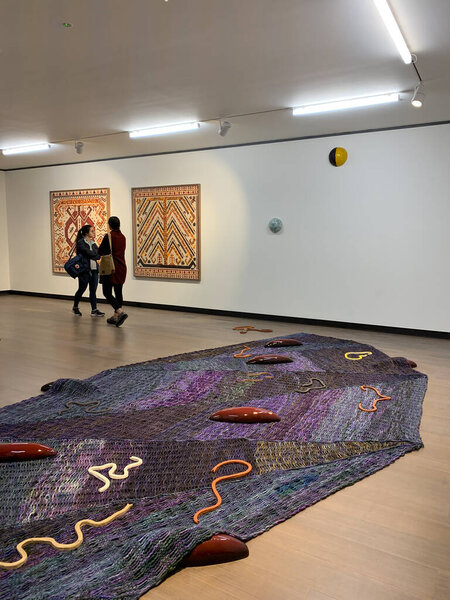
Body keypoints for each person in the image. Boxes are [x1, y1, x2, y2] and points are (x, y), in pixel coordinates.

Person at [98, 216, 128, 327]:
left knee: (106, 292)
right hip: (121, 267)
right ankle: (116, 316)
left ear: (109, 225)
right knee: (118, 291)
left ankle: (120, 312)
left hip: (111, 267)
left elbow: (100, 251)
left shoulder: (109, 236)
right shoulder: (123, 237)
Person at [72, 225, 105, 317]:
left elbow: (98, 255)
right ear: (86, 233)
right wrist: (94, 254)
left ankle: (94, 310)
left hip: (94, 269)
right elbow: (88, 253)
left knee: (93, 290)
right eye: (92, 231)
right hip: (84, 270)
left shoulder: (93, 243)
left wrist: (93, 255)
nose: (93, 233)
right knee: (81, 289)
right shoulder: (80, 242)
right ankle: (75, 307)